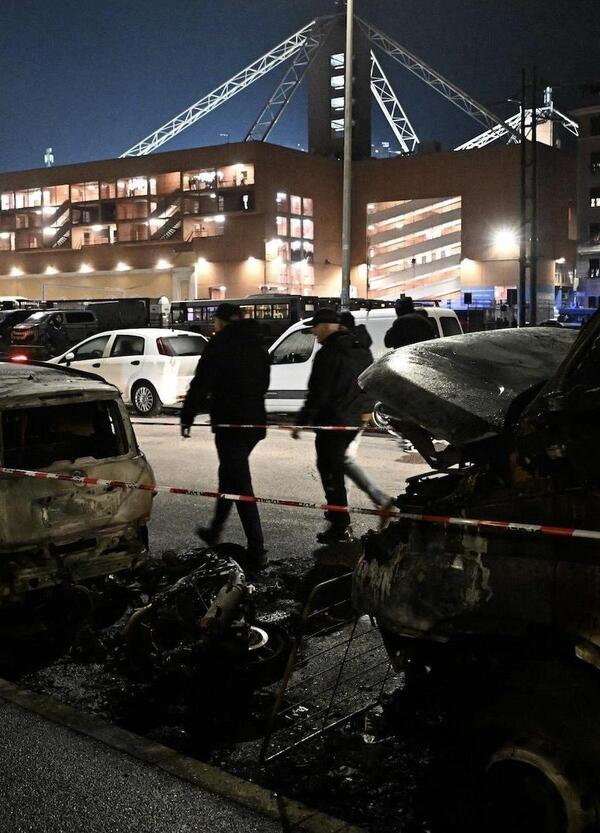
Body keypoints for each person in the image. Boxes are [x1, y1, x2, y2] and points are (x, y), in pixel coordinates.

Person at [181, 302, 270, 569]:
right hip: (254, 423)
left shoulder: (219, 345)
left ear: (220, 321)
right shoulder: (257, 344)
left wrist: (187, 415)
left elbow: (201, 382)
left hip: (230, 423)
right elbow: (263, 383)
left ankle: (257, 549)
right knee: (229, 477)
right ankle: (214, 530)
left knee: (240, 485)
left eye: (215, 321)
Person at [294, 308, 375, 545]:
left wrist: (302, 420)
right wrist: (366, 411)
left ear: (328, 326)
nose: (313, 332)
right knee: (335, 468)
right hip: (352, 421)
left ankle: (340, 526)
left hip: (332, 421)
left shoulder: (328, 353)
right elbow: (368, 382)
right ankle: (337, 514)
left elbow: (318, 392)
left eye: (316, 327)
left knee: (330, 470)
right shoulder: (360, 348)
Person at [338, 312, 393, 512]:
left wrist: (365, 409)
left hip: (351, 413)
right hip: (354, 412)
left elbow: (363, 382)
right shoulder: (361, 347)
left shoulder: (352, 349)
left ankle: (345, 506)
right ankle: (341, 506)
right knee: (343, 459)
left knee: (343, 459)